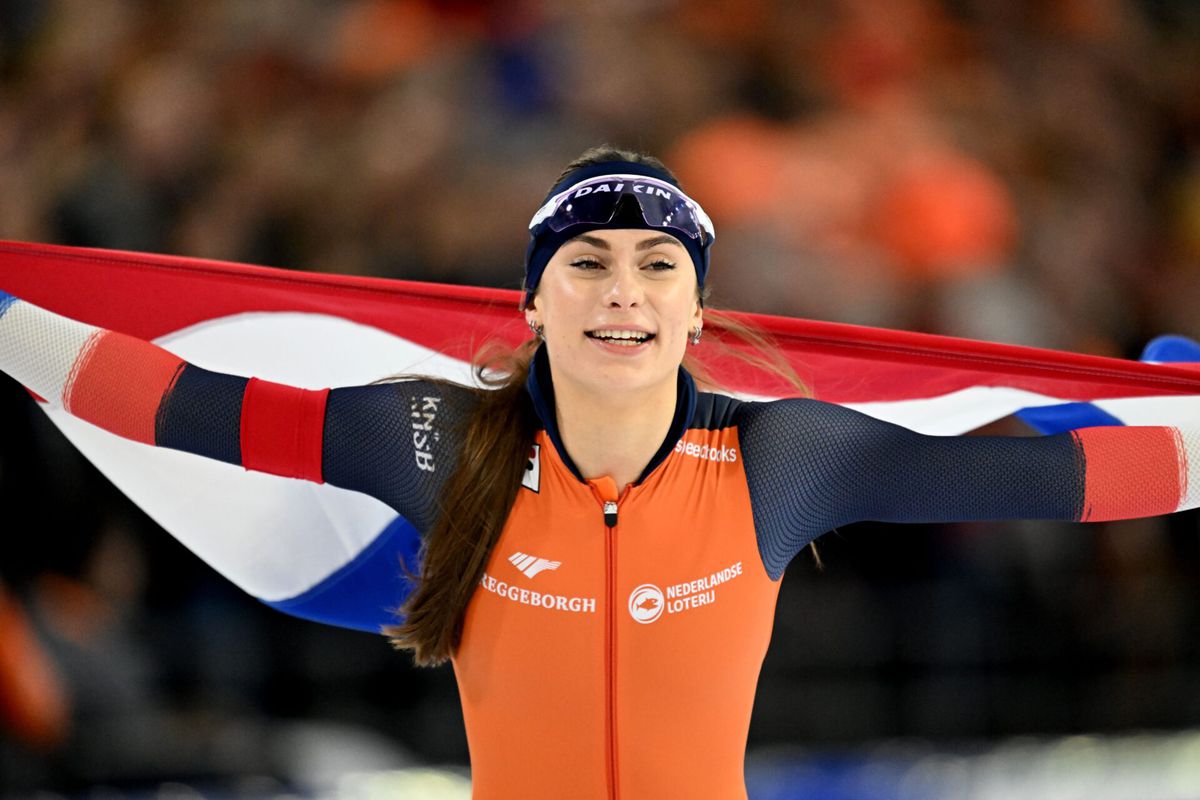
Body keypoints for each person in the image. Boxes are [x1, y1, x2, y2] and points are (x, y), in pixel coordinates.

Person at [1, 145, 1198, 799]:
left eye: (656, 264)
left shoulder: (785, 455)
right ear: (531, 301)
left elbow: (1063, 483)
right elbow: (178, 404)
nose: (622, 288)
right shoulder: (435, 438)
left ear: (695, 309)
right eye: (586, 261)